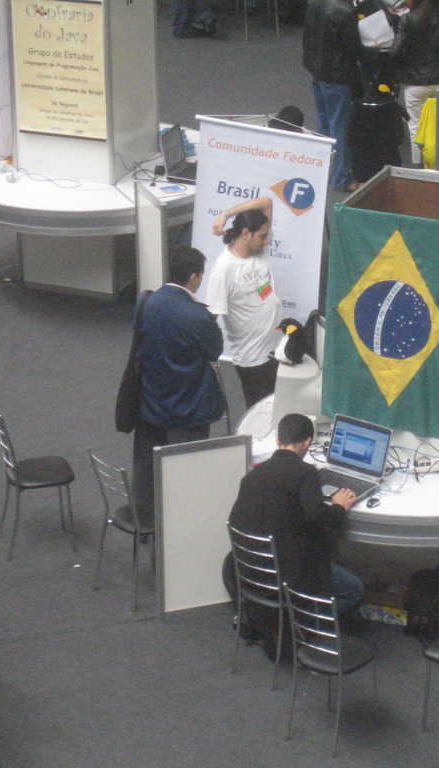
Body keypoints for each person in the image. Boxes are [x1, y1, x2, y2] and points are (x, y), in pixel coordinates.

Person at [228, 413, 363, 622]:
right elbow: (319, 519)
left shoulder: (252, 476)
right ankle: (303, 621)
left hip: (252, 569)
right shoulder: (305, 473)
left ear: (278, 440)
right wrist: (339, 506)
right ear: (307, 442)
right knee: (354, 589)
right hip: (288, 574)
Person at [133, 246, 226, 526]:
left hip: (151, 404)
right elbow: (215, 350)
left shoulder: (146, 302)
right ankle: (181, 529)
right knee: (186, 476)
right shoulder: (198, 316)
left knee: (148, 471)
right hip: (189, 410)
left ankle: (147, 523)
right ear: (194, 277)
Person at [208, 199, 282, 410]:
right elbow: (210, 320)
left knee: (278, 408)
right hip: (253, 359)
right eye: (262, 236)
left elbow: (266, 202)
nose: (267, 241)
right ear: (246, 234)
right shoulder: (224, 269)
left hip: (275, 349)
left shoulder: (258, 250)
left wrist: (226, 214)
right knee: (260, 413)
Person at [392, 0, 439, 166]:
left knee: (416, 128)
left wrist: (404, 68)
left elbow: (396, 52)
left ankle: (420, 169)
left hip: (416, 81)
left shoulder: (407, 20)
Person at [303, 0, 362, 191]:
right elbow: (354, 48)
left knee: (325, 124)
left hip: (317, 69)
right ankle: (341, 178)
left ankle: (323, 170)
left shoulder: (314, 3)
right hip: (338, 76)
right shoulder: (345, 11)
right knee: (340, 126)